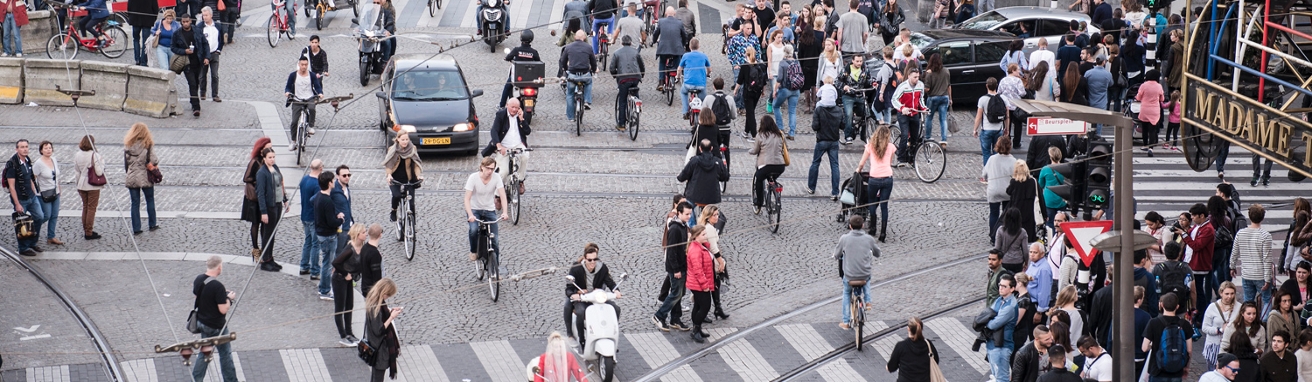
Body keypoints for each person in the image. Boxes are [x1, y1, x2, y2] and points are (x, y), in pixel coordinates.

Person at [191, 256, 238, 382]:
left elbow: (197, 296)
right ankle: (231, 380)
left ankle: (196, 379)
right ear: (219, 267)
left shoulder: (199, 279)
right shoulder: (217, 286)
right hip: (217, 327)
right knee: (225, 354)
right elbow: (223, 309)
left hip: (202, 322)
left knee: (204, 353)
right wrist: (229, 298)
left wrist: (221, 295)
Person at [564, 243, 622, 343]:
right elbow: (569, 288)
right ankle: (582, 340)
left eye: (595, 259)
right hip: (582, 298)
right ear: (585, 259)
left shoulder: (602, 268)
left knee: (616, 309)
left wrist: (616, 290)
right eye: (590, 260)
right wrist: (576, 293)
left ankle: (610, 334)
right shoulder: (576, 268)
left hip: (597, 297)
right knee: (581, 312)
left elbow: (609, 281)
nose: (592, 262)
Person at [654, 201, 692, 332]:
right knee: (676, 293)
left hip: (682, 265)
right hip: (676, 267)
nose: (689, 217)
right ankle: (659, 316)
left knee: (680, 293)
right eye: (687, 214)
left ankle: (675, 319)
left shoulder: (682, 225)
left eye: (690, 214)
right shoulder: (675, 228)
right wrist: (676, 269)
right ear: (679, 213)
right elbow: (671, 251)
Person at [836, 215, 879, 329]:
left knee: (846, 293)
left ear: (850, 226)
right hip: (864, 274)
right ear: (863, 226)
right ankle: (868, 301)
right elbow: (877, 253)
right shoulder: (869, 239)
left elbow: (837, 254)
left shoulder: (844, 238)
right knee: (867, 278)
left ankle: (846, 321)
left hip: (850, 275)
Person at [464, 157, 509, 261]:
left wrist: (505, 212)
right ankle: (474, 251)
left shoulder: (496, 177)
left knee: (495, 241)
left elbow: (502, 195)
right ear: (482, 167)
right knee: (474, 230)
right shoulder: (473, 178)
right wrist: (470, 214)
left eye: (492, 169)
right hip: (474, 209)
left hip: (489, 209)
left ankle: (495, 270)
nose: (490, 171)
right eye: (488, 168)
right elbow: (467, 199)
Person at [855, 125, 895, 241]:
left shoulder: (870, 146)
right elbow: (890, 162)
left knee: (872, 203)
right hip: (887, 178)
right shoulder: (891, 147)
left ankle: (873, 228)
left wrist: (858, 170)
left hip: (874, 178)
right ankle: (883, 233)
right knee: (884, 206)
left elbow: (862, 163)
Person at [5, 139, 44, 256]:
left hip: (31, 197)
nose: (25, 149)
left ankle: (32, 242)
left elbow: (30, 178)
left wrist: (34, 191)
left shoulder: (27, 160)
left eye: (26, 146)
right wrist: (17, 204)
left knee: (40, 217)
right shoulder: (12, 164)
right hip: (21, 198)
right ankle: (23, 248)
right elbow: (11, 187)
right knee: (21, 223)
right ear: (17, 149)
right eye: (22, 147)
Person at [484, 98, 531, 192]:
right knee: (503, 172)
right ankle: (497, 195)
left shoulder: (521, 115)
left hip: (518, 144)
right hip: (503, 146)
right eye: (512, 107)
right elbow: (494, 131)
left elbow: (527, 132)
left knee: (525, 156)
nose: (514, 110)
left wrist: (522, 120)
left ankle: (521, 180)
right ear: (507, 106)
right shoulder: (501, 115)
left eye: (516, 108)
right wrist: (499, 145)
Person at [1233, 204, 1274, 310]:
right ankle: (1264, 322)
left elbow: (1235, 252)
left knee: (1248, 301)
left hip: (1246, 273)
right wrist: (1267, 278)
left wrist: (1232, 266)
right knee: (1266, 300)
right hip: (1260, 274)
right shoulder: (1265, 236)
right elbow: (1267, 259)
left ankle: (1249, 322)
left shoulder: (1240, 233)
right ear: (1263, 218)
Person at [122, 123, 160, 236]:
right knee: (150, 200)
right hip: (145, 177)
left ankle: (136, 228)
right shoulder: (148, 145)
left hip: (132, 177)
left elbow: (126, 164)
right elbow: (154, 160)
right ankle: (152, 224)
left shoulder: (128, 146)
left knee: (135, 203)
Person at [807, 76, 842, 199]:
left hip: (821, 140)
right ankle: (835, 192)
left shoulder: (819, 109)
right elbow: (842, 125)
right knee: (835, 166)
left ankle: (811, 187)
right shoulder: (838, 110)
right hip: (834, 141)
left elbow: (815, 127)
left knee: (815, 163)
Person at [331, 224, 365, 347]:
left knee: (349, 305)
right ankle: (343, 335)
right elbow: (336, 262)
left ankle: (349, 333)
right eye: (363, 232)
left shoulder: (362, 247)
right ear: (357, 235)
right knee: (340, 307)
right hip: (340, 279)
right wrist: (345, 274)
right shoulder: (350, 249)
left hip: (349, 279)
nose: (365, 234)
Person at [253, 148, 286, 272]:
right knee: (267, 233)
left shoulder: (275, 168)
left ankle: (270, 258)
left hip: (277, 204)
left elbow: (280, 184)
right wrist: (263, 212)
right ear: (264, 158)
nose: (272, 159)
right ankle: (265, 260)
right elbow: (260, 193)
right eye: (270, 157)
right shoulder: (262, 173)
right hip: (269, 206)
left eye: (273, 157)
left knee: (273, 232)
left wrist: (285, 199)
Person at [1180, 203, 1218, 310]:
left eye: (1193, 215)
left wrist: (1183, 235)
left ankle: (1201, 313)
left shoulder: (1207, 229)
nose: (1191, 217)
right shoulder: (1197, 226)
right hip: (1190, 261)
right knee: (1192, 289)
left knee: (1198, 291)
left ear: (1201, 216)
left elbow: (1197, 246)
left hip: (1199, 265)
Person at [312, 171, 343, 299]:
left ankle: (323, 289)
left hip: (321, 233)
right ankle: (324, 290)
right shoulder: (327, 200)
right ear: (329, 183)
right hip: (328, 236)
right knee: (327, 264)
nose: (335, 182)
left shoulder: (319, 196)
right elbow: (331, 222)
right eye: (333, 180)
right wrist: (340, 219)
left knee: (326, 262)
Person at [364, 278, 401, 382]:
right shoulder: (375, 306)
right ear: (384, 292)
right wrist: (391, 317)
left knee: (375, 377)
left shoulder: (375, 301)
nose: (388, 298)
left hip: (377, 347)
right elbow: (379, 330)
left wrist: (389, 311)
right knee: (378, 378)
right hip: (379, 349)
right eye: (388, 295)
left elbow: (380, 317)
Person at [171, 14, 208, 116]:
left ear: (190, 21)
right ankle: (196, 107)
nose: (185, 23)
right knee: (192, 83)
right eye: (183, 22)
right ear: (181, 22)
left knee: (196, 83)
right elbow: (173, 47)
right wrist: (184, 51)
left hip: (198, 61)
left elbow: (205, 44)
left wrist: (206, 57)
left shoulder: (197, 31)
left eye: (187, 21)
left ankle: (193, 99)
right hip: (186, 63)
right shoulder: (177, 34)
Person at [284, 56, 323, 151]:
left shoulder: (312, 75)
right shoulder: (293, 75)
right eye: (302, 65)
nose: (304, 67)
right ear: (299, 64)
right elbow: (288, 86)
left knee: (312, 108)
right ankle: (293, 141)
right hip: (297, 100)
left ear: (307, 65)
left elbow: (317, 86)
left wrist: (320, 93)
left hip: (309, 98)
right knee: (294, 122)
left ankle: (310, 126)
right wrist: (287, 92)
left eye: (306, 65)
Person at [678, 138, 729, 210]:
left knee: (689, 210)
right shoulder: (718, 162)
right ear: (711, 148)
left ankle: (691, 220)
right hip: (711, 196)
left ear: (700, 148)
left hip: (694, 195)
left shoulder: (694, 160)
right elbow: (725, 177)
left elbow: (684, 175)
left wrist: (680, 178)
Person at [71, 136, 104, 241]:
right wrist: (102, 163)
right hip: (92, 185)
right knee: (91, 208)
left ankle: (86, 229)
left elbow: (77, 171)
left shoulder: (77, 155)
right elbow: (99, 172)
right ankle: (89, 232)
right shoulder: (95, 155)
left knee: (85, 207)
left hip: (81, 184)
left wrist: (78, 184)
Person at [886, 317, 940, 381]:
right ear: (921, 329)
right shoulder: (928, 345)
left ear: (908, 329)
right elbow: (936, 360)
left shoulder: (901, 346)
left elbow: (891, 367)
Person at [384, 133, 423, 223]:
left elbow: (416, 164)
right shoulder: (392, 150)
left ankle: (412, 227)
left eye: (406, 139)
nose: (405, 142)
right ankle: (393, 210)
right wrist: (389, 175)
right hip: (395, 179)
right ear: (398, 139)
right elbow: (389, 165)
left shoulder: (412, 149)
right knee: (396, 195)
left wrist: (418, 175)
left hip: (408, 179)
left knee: (411, 203)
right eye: (403, 140)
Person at [29, 141, 62, 247]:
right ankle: (31, 230)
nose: (48, 150)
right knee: (46, 215)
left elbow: (57, 176)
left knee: (54, 215)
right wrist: (34, 190)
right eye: (46, 148)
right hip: (43, 194)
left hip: (55, 192)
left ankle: (51, 237)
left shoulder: (54, 160)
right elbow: (32, 178)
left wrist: (59, 188)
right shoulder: (38, 164)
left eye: (50, 148)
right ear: (41, 150)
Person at [986, 274, 1018, 381]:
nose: (1001, 288)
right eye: (1000, 285)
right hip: (993, 344)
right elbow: (989, 313)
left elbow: (992, 324)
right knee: (996, 376)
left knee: (1002, 378)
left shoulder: (1010, 306)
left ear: (1012, 289)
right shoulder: (999, 300)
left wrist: (985, 321)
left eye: (1004, 286)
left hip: (1002, 346)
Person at [982, 140, 1015, 242]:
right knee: (1006, 214)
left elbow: (984, 174)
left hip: (994, 190)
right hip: (1007, 191)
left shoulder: (992, 159)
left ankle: (993, 236)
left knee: (994, 214)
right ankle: (1005, 236)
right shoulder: (1013, 161)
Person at [1203, 282, 1242, 370]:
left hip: (1231, 346)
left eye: (1232, 294)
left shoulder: (1239, 307)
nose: (1230, 296)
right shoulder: (1212, 307)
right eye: (1227, 294)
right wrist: (1219, 330)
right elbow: (1205, 327)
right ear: (1221, 293)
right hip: (1214, 346)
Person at [891, 67, 925, 165]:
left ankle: (911, 158)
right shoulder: (903, 86)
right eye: (915, 77)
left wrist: (924, 108)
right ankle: (901, 158)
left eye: (918, 77)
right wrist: (902, 108)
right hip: (903, 114)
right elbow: (894, 99)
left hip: (914, 113)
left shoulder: (920, 85)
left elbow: (920, 99)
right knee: (905, 135)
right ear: (909, 76)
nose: (917, 79)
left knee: (915, 137)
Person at [560, 30, 597, 121]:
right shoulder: (588, 47)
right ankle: (587, 101)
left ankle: (570, 116)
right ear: (584, 38)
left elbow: (563, 61)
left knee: (570, 94)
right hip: (585, 74)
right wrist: (594, 69)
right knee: (589, 82)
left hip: (572, 75)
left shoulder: (568, 47)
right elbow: (593, 61)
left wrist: (565, 70)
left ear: (575, 37)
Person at [611, 35, 645, 130]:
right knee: (634, 88)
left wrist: (615, 75)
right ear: (630, 43)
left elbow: (612, 68)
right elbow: (641, 65)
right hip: (636, 78)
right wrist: (642, 75)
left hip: (623, 79)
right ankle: (638, 102)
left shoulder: (616, 53)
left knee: (622, 101)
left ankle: (621, 124)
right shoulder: (636, 52)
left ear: (622, 43)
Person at [837, 53, 872, 144]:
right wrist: (844, 86)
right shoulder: (846, 70)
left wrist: (873, 83)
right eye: (857, 61)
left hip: (860, 95)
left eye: (861, 61)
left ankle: (864, 134)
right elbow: (837, 81)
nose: (859, 63)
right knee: (849, 114)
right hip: (848, 96)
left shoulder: (865, 69)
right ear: (853, 61)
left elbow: (869, 80)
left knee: (866, 113)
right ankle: (848, 136)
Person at [298, 159, 324, 276]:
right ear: (321, 168)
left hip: (304, 215)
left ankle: (304, 266)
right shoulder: (317, 184)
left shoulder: (304, 179)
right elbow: (317, 202)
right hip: (313, 217)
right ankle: (314, 270)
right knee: (315, 244)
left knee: (307, 242)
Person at [653, 6, 687, 91]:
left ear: (665, 14)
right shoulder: (679, 23)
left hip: (664, 49)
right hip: (676, 49)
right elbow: (684, 35)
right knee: (677, 59)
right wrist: (682, 45)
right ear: (674, 14)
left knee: (662, 62)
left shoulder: (661, 21)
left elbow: (656, 33)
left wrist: (654, 41)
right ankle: (676, 76)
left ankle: (661, 81)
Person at [772, 46, 803, 138]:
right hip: (796, 89)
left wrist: (774, 90)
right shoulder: (797, 62)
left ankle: (780, 128)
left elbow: (779, 79)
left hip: (785, 89)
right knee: (792, 111)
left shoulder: (783, 63)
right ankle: (792, 132)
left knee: (775, 106)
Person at [921, 54, 951, 145]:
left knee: (929, 118)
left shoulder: (929, 73)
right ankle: (944, 139)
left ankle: (928, 137)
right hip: (945, 97)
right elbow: (949, 86)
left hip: (933, 97)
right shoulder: (946, 71)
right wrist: (950, 98)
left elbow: (927, 89)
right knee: (943, 119)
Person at [678, 38, 712, 118]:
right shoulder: (703, 55)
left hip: (688, 84)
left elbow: (679, 69)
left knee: (683, 92)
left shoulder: (685, 55)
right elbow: (709, 69)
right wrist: (707, 74)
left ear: (690, 47)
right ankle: (705, 114)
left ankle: (685, 111)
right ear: (699, 46)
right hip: (701, 84)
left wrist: (678, 77)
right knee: (704, 101)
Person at [196, 7, 224, 102]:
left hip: (214, 53)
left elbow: (221, 39)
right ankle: (202, 92)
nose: (205, 17)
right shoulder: (200, 27)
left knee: (215, 75)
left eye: (206, 15)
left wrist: (219, 50)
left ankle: (215, 94)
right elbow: (198, 42)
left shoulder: (217, 26)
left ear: (211, 15)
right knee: (202, 75)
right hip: (204, 54)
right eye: (203, 15)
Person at [1136, 69, 1165, 156]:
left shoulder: (1143, 85)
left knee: (1144, 129)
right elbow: (1162, 99)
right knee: (1152, 130)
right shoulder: (1159, 86)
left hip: (1145, 109)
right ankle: (1151, 148)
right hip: (1155, 110)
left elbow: (1138, 97)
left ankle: (1145, 145)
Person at [994, 208, 1028, 272]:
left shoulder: (1000, 230)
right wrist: (1026, 262)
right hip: (1018, 261)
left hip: (1004, 260)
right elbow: (1025, 251)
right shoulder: (1022, 232)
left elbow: (997, 248)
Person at [1268, 290, 1299, 356]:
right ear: (1279, 302)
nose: (1287, 303)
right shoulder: (1273, 318)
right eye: (1284, 301)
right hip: (1279, 353)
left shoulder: (1294, 314)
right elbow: (1271, 339)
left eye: (1289, 300)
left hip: (1294, 351)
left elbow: (1298, 333)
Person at [331, 165, 354, 253]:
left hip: (349, 225)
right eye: (344, 175)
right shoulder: (333, 188)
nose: (347, 177)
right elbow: (320, 200)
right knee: (339, 252)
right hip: (340, 227)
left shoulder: (346, 187)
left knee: (348, 252)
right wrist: (336, 213)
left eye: (349, 175)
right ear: (337, 176)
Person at [359, 224, 384, 298]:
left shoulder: (364, 247)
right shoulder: (374, 254)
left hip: (365, 286)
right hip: (373, 291)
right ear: (380, 235)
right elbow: (377, 276)